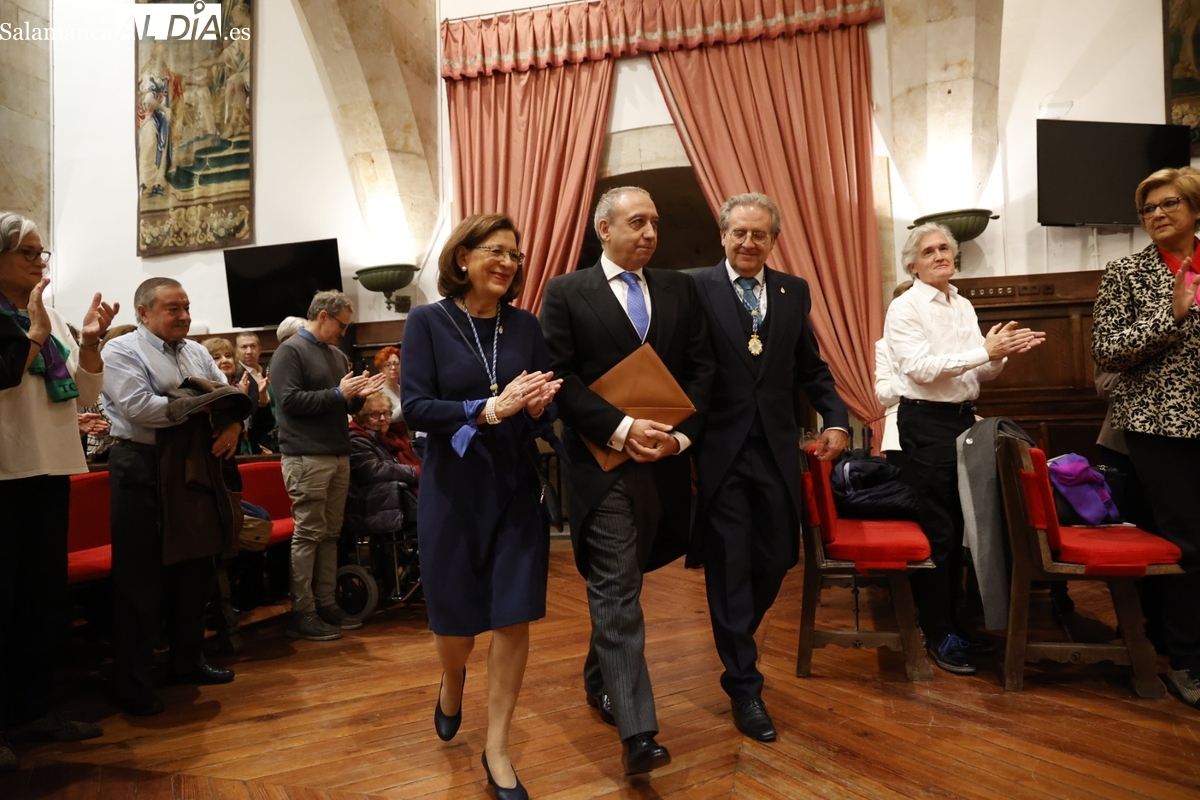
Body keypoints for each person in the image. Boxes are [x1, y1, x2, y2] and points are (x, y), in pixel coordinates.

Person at [540, 187, 714, 775]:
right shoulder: (565, 292)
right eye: (637, 222)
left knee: (625, 582)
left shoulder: (678, 288)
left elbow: (701, 370)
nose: (649, 233)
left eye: (654, 223)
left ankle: (599, 676)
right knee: (616, 589)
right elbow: (559, 376)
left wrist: (679, 438)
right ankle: (639, 733)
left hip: (663, 465)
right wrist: (619, 427)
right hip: (601, 467)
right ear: (603, 228)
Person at [401, 213, 560, 800]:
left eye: (515, 256)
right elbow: (415, 408)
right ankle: (450, 677)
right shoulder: (427, 322)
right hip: (452, 492)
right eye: (495, 251)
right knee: (457, 625)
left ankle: (498, 747)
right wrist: (486, 410)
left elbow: (544, 401)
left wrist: (540, 408)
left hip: (516, 489)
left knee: (513, 616)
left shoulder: (526, 326)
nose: (507, 263)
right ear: (462, 257)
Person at [689, 193, 849, 742]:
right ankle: (744, 683)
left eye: (760, 234)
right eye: (740, 233)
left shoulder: (792, 290)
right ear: (724, 236)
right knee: (730, 564)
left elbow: (812, 367)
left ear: (773, 240)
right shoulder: (696, 289)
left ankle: (736, 641)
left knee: (779, 555)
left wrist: (837, 418)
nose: (749, 242)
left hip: (779, 450)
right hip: (721, 452)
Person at [884, 222, 1044, 675]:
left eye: (945, 249)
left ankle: (956, 623)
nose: (940, 255)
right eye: (929, 250)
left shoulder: (964, 303)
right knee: (939, 531)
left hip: (962, 420)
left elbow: (979, 376)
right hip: (926, 422)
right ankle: (937, 632)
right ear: (912, 264)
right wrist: (983, 352)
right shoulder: (905, 306)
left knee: (965, 528)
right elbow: (918, 370)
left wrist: (1001, 353)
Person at [0, 212, 116, 771]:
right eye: (28, 252)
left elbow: (85, 389)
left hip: (49, 467)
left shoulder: (52, 315)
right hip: (3, 470)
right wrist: (35, 332)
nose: (40, 262)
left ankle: (35, 709)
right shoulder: (21, 319)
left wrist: (90, 343)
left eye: (42, 253)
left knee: (41, 601)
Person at [100, 277, 245, 715]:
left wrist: (234, 423)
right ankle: (133, 682)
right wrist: (201, 407)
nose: (183, 315)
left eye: (185, 307)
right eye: (171, 309)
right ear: (143, 313)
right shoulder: (120, 351)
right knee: (140, 580)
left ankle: (187, 660)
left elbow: (229, 396)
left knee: (194, 569)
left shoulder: (196, 351)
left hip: (191, 463)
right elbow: (139, 408)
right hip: (141, 465)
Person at [1092, 166, 1200, 709]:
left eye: (1170, 203)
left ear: (1195, 209)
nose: (1157, 214)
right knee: (1186, 544)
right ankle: (1187, 661)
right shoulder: (1126, 273)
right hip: (1160, 426)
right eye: (1148, 208)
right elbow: (1107, 351)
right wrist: (1172, 316)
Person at [271, 291, 385, 642]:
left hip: (337, 452)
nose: (343, 332)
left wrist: (357, 396)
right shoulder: (288, 352)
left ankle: (326, 602)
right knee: (307, 534)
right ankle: (302, 610)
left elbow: (343, 409)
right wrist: (339, 393)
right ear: (323, 316)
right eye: (341, 325)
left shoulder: (336, 355)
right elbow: (288, 402)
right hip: (305, 455)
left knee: (331, 534)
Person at [345, 392, 419, 552]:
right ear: (361, 417)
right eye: (375, 414)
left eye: (386, 413)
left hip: (393, 501)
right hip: (371, 503)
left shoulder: (391, 437)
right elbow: (373, 471)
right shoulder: (356, 439)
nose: (383, 418)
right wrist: (414, 472)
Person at [203, 336, 272, 454]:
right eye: (216, 357)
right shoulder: (205, 391)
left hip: (250, 453)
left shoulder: (245, 383)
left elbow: (262, 429)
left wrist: (263, 400)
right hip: (219, 455)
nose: (225, 360)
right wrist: (239, 402)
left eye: (228, 355)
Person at [874, 281, 913, 462]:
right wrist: (914, 379)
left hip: (943, 431)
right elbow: (883, 395)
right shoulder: (883, 345)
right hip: (898, 436)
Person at [375, 345, 404, 422]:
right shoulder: (378, 391)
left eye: (396, 364)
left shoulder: (401, 389)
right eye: (388, 365)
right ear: (381, 369)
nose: (393, 368)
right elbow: (388, 419)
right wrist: (407, 402)